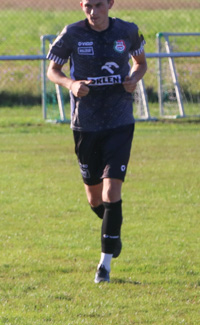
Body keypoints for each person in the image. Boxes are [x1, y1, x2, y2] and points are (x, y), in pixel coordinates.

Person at [46, 0, 147, 283]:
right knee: (94, 198)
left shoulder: (127, 31)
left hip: (119, 121)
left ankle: (104, 266)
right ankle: (112, 234)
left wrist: (134, 78)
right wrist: (71, 84)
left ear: (110, 4)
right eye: (88, 5)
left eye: (99, 5)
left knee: (111, 191)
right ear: (81, 5)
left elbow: (140, 64)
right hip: (86, 124)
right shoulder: (72, 34)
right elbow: (52, 70)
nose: (93, 11)